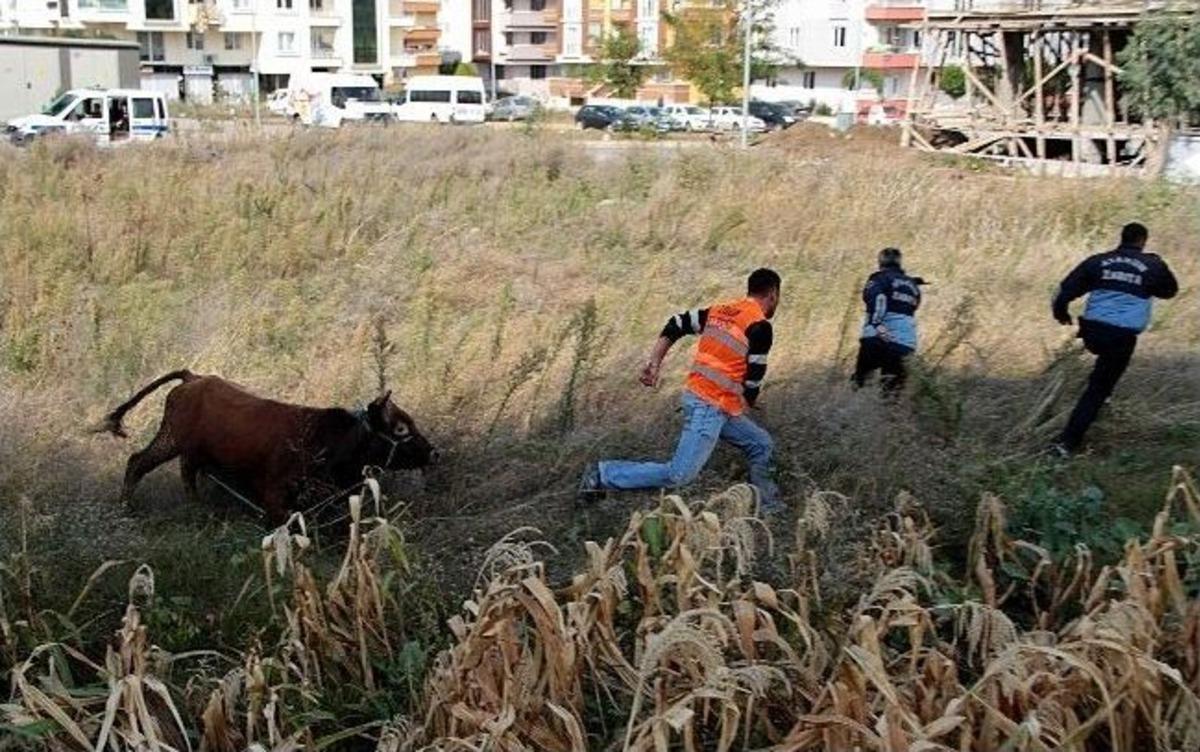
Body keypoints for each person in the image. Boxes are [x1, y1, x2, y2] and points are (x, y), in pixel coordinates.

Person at [579, 269, 782, 511]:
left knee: (761, 444)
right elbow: (754, 378)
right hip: (709, 407)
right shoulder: (760, 326)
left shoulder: (720, 311)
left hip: (709, 401)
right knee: (679, 474)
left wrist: (655, 361)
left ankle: (767, 505)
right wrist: (750, 401)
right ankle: (602, 475)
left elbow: (676, 324)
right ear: (772, 294)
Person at [1050, 222, 1178, 455]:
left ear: (1122, 237)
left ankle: (1103, 404)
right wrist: (1156, 270)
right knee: (1097, 389)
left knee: (1103, 374)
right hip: (1121, 337)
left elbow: (1064, 290)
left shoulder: (1098, 261)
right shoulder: (1152, 265)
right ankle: (1066, 444)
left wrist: (1061, 314)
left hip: (1092, 331)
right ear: (1143, 240)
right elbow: (1170, 291)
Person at [852, 247, 924, 393]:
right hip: (905, 343)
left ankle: (856, 403)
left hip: (877, 339)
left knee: (860, 384)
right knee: (891, 395)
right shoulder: (913, 286)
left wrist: (877, 323)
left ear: (880, 262)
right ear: (899, 262)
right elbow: (914, 306)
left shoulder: (878, 279)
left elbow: (879, 298)